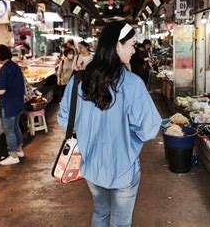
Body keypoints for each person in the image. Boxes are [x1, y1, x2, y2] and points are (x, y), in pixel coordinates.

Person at [58, 22, 162, 226]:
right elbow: (149, 129)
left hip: (92, 165)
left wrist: (88, 128)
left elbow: (64, 119)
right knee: (121, 223)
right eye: (131, 45)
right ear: (117, 46)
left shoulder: (79, 80)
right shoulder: (133, 84)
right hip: (124, 167)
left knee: (100, 212)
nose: (134, 50)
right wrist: (128, 133)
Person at [0, 44, 25, 165]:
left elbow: (1, 91)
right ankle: (19, 150)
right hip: (18, 103)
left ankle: (13, 155)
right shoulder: (15, 66)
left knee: (9, 131)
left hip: (8, 105)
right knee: (15, 127)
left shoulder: (3, 70)